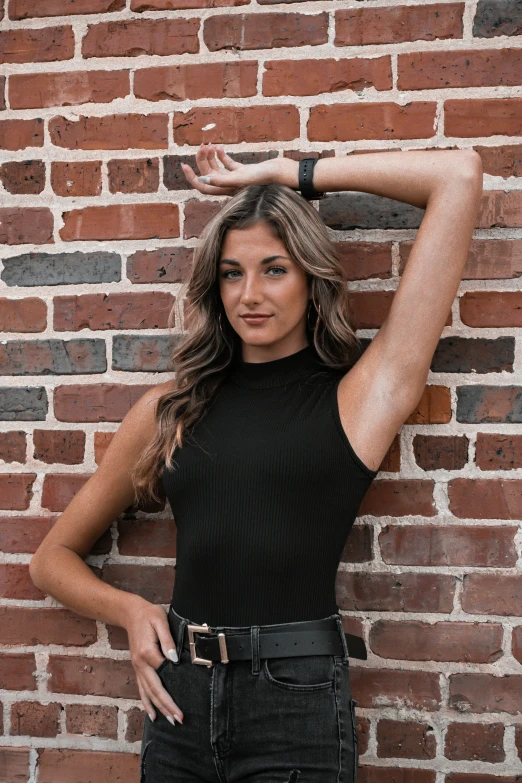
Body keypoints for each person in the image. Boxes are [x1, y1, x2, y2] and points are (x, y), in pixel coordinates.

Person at [29, 143, 483, 782]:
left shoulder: (359, 398)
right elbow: (51, 561)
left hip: (293, 710)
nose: (250, 294)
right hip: (178, 703)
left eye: (274, 269)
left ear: (310, 277)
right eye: (232, 273)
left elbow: (457, 175)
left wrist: (286, 175)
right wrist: (132, 612)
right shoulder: (171, 409)